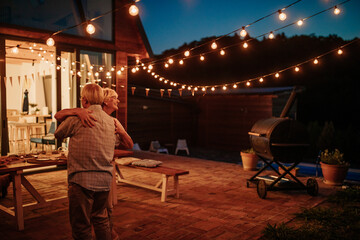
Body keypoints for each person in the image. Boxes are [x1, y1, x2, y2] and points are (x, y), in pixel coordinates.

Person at [55, 87, 133, 240]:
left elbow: (58, 134)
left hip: (81, 180)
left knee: (81, 225)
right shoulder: (112, 122)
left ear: (84, 100)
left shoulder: (77, 118)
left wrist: (75, 112)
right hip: (104, 180)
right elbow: (116, 143)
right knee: (101, 218)